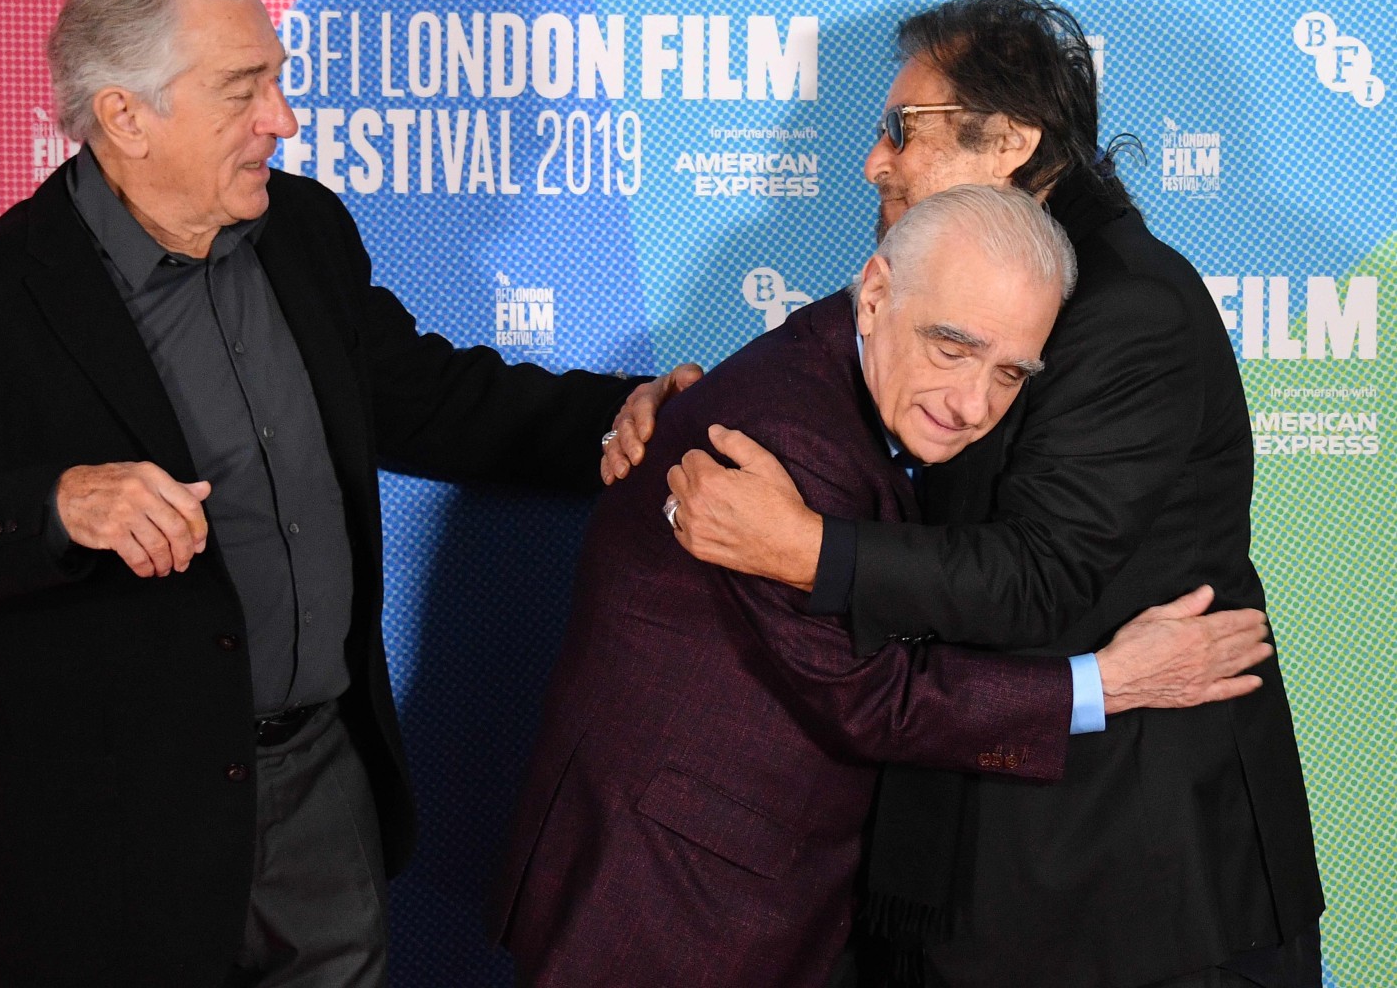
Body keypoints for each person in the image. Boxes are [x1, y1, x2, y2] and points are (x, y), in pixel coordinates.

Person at [0, 0, 693, 988]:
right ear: (126, 115)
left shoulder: (303, 231)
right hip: (108, 860)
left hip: (321, 796)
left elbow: (424, 397)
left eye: (275, 79)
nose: (284, 119)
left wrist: (619, 416)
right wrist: (54, 504)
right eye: (242, 89)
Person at [604, 0, 1322, 987]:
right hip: (974, 862)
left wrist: (804, 549)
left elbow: (1040, 574)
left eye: (905, 129)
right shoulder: (966, 267)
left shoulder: (1128, 306)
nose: (874, 160)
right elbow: (831, 365)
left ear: (1013, 139)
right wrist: (672, 406)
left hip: (1127, 896)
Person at [490, 184, 1274, 988]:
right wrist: (1107, 682)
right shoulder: (784, 445)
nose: (974, 404)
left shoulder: (865, 387)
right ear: (873, 295)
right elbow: (872, 700)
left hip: (756, 879)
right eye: (952, 347)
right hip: (673, 899)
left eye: (1009, 373)